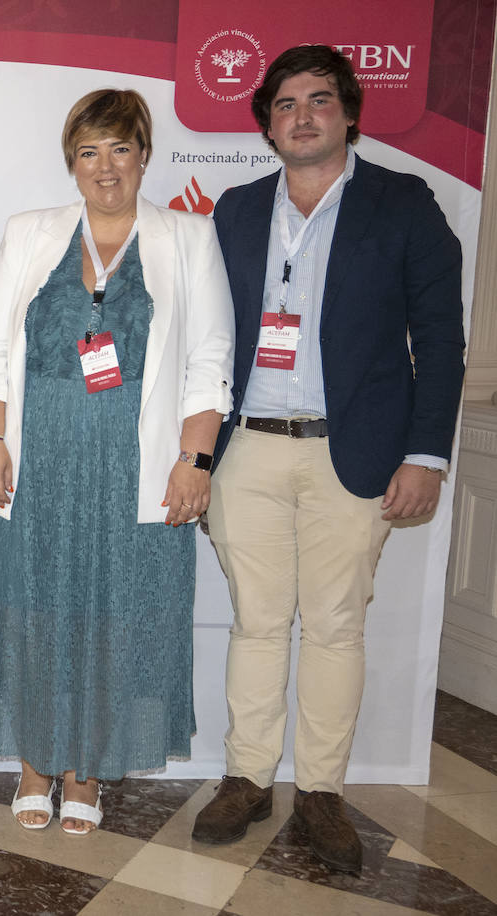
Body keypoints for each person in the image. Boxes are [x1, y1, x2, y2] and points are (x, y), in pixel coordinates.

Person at [193, 45, 465, 875]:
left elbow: (441, 338)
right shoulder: (236, 210)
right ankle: (246, 777)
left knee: (337, 628)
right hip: (249, 452)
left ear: (349, 113)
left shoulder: (403, 203)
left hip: (359, 453)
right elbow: (206, 341)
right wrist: (197, 453)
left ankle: (320, 792)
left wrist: (425, 453)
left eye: (318, 100)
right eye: (284, 103)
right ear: (266, 123)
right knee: (258, 623)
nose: (301, 115)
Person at [0, 89, 234, 835]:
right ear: (71, 163)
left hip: (136, 458)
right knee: (31, 607)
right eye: (89, 152)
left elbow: (210, 357)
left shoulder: (188, 236)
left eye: (119, 149)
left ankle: (86, 771)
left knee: (117, 613)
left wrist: (195, 457)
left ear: (145, 154)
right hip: (35, 452)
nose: (105, 167)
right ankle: (33, 763)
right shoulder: (30, 232)